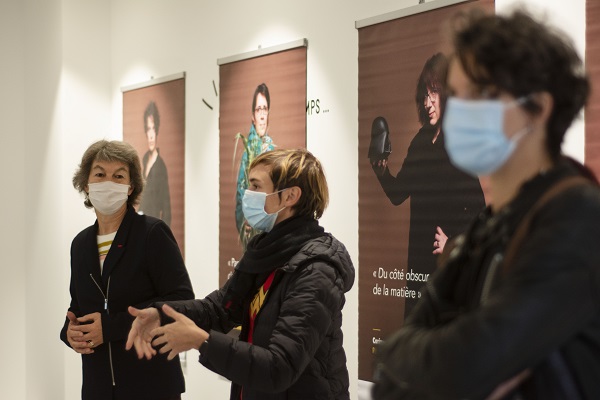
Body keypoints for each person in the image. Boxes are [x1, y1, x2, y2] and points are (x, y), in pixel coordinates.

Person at [372, 9, 600, 400]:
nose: (455, 111)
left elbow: (467, 363)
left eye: (476, 95)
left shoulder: (577, 219)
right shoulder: (489, 225)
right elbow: (387, 374)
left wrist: (438, 361)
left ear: (539, 108)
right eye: (455, 95)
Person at [126, 148, 355, 400]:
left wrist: (202, 341)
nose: (247, 195)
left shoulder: (317, 268)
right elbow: (221, 309)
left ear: (290, 196)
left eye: (256, 186)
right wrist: (161, 314)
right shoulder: (267, 251)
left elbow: (279, 367)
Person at [60, 140, 194, 400]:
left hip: (151, 385)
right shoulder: (80, 244)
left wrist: (110, 328)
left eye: (118, 176)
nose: (108, 182)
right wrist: (69, 331)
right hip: (98, 388)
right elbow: (79, 305)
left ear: (131, 187)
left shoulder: (152, 233)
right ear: (86, 184)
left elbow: (182, 302)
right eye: (99, 174)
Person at [370, 52, 485, 315]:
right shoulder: (420, 141)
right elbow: (398, 194)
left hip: (447, 264)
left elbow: (480, 210)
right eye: (424, 94)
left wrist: (454, 243)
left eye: (434, 93)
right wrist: (381, 170)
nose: (427, 102)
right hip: (418, 260)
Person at [235, 83, 276, 250]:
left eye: (265, 109)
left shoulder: (273, 151)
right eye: (258, 109)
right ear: (253, 115)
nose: (262, 115)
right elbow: (240, 199)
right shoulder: (247, 155)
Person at [139, 100, 172, 225]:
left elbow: (167, 209)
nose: (151, 135)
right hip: (141, 226)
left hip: (153, 228)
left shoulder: (161, 166)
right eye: (148, 129)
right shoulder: (144, 160)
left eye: (153, 128)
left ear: (157, 130)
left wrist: (163, 238)